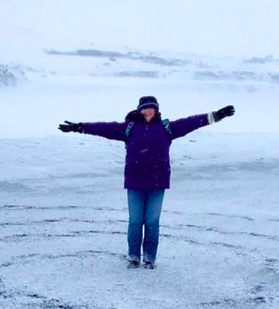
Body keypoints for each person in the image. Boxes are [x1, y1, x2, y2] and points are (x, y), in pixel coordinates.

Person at [58, 96, 235, 269]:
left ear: (156, 110)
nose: (148, 111)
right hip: (134, 181)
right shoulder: (129, 128)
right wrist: (79, 127)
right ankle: (133, 256)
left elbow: (191, 122)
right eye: (145, 108)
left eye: (151, 108)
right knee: (135, 221)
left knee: (152, 221)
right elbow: (103, 128)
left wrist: (217, 115)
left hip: (158, 182)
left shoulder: (166, 128)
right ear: (140, 110)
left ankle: (150, 258)